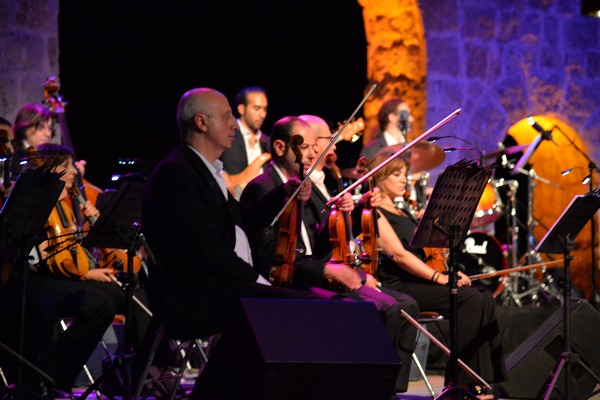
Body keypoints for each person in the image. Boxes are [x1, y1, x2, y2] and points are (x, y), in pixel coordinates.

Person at [140, 88, 325, 398]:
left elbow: (243, 220)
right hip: (193, 295)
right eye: (226, 117)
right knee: (300, 307)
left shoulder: (204, 169)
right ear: (201, 122)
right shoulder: (176, 173)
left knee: (302, 304)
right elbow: (202, 247)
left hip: (217, 286)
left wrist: (285, 193)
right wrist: (253, 277)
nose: (235, 125)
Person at [239, 115, 420, 394]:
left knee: (395, 306)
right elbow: (267, 256)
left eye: (315, 145)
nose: (314, 152)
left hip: (314, 270)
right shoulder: (262, 187)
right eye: (305, 146)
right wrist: (325, 271)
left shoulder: (306, 186)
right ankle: (361, 389)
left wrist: (349, 211)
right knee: (376, 308)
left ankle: (383, 390)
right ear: (278, 147)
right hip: (290, 280)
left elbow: (322, 241)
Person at [367, 151, 505, 399]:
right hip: (400, 285)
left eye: (405, 175)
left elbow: (429, 253)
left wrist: (449, 271)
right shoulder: (375, 213)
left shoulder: (405, 213)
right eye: (396, 174)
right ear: (379, 177)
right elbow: (399, 255)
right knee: (470, 299)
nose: (404, 180)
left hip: (420, 280)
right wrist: (438, 278)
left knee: (483, 295)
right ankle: (458, 382)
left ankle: (480, 380)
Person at [220, 86, 271, 199]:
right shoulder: (224, 134)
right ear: (242, 109)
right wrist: (220, 173)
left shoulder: (269, 143)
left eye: (265, 109)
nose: (262, 115)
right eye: (257, 108)